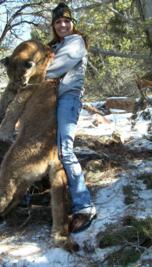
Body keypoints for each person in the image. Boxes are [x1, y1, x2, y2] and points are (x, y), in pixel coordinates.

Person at [45, 2, 96, 233]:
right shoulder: (55, 44)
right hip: (50, 101)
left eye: (66, 20)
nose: (63, 24)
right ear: (54, 26)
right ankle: (56, 202)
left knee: (65, 150)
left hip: (68, 99)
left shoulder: (75, 42)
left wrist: (32, 71)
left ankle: (84, 206)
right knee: (49, 150)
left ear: (72, 23)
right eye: (58, 22)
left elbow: (55, 68)